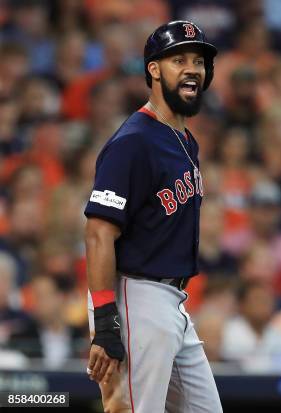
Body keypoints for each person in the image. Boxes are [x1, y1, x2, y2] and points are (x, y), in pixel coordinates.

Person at [84, 21, 223, 412]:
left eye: (198, 60)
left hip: (172, 302)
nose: (192, 68)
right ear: (154, 70)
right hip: (135, 296)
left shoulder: (183, 138)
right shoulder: (133, 141)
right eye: (178, 59)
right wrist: (106, 318)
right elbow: (98, 233)